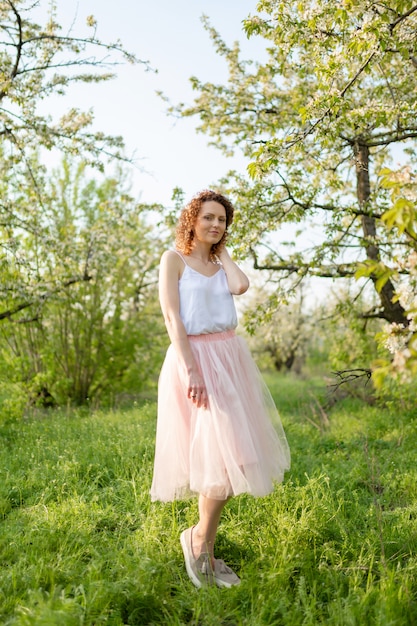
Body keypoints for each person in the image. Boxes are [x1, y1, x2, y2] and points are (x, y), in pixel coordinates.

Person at [150, 189, 290, 588]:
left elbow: (241, 286)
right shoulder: (173, 260)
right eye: (208, 217)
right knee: (221, 460)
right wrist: (191, 370)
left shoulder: (219, 263)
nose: (215, 225)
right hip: (194, 361)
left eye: (222, 221)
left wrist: (223, 251)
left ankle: (200, 539)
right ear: (192, 219)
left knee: (236, 457)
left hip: (230, 358)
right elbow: (172, 318)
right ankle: (201, 546)